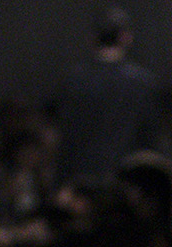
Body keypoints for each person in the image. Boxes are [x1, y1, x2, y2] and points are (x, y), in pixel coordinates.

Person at [56, 7, 160, 188]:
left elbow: (67, 137)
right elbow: (149, 138)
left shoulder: (74, 81)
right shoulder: (143, 82)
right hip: (128, 182)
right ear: (126, 37)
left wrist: (61, 183)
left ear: (93, 39)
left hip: (83, 178)